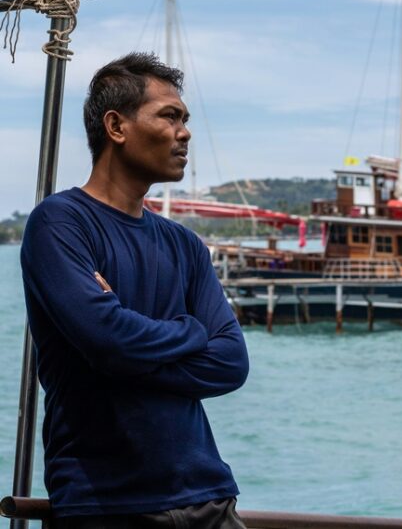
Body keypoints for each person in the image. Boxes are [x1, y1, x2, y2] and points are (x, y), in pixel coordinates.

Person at [21, 52, 249, 529]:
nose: (184, 132)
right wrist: (190, 330)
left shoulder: (185, 244)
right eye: (169, 116)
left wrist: (119, 354)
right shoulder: (60, 224)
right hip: (106, 504)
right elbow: (107, 339)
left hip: (210, 495)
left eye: (184, 119)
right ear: (116, 126)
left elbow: (231, 361)